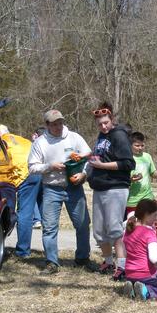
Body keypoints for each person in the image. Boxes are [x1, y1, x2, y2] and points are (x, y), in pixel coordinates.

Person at [27, 109, 92, 274]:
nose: (58, 127)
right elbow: (32, 167)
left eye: (60, 123)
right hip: (51, 188)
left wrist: (83, 174)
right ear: (47, 125)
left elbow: (88, 157)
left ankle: (83, 258)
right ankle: (52, 262)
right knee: (49, 227)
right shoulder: (40, 143)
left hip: (74, 187)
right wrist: (50, 166)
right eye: (54, 124)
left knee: (83, 224)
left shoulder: (74, 137)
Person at [87, 102, 135, 281]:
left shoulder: (119, 136)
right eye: (100, 124)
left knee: (114, 229)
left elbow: (128, 164)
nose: (103, 126)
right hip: (100, 187)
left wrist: (102, 165)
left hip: (115, 187)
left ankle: (122, 266)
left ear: (112, 119)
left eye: (106, 122)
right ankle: (108, 261)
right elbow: (103, 156)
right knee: (99, 230)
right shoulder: (101, 136)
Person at [0, 124, 42, 259]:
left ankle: (16, 250)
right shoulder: (22, 139)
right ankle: (31, 251)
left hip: (22, 176)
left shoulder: (2, 143)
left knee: (17, 213)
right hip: (36, 172)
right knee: (33, 212)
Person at [122, 199, 157, 301]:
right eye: (155, 215)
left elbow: (125, 253)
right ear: (146, 214)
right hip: (146, 274)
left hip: (129, 273)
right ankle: (146, 291)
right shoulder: (148, 232)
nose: (156, 219)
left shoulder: (129, 230)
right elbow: (154, 258)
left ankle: (133, 286)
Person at [126, 132, 157, 216]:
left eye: (142, 145)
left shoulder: (147, 156)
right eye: (137, 146)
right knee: (135, 227)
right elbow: (122, 179)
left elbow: (153, 173)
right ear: (130, 145)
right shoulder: (127, 158)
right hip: (132, 200)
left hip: (148, 197)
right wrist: (131, 179)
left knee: (152, 225)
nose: (140, 148)